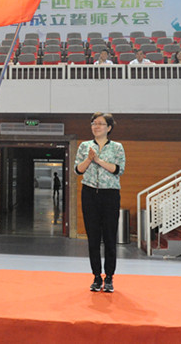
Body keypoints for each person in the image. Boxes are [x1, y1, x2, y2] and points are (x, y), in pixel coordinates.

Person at [75, 112, 126, 293]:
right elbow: (78, 170)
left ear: (109, 128)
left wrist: (98, 160)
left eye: (100, 123)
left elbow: (118, 170)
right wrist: (89, 159)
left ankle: (109, 277)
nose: (96, 126)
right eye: (93, 123)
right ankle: (96, 276)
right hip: (89, 193)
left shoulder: (117, 147)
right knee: (93, 238)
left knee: (110, 237)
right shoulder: (84, 146)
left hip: (110, 194)